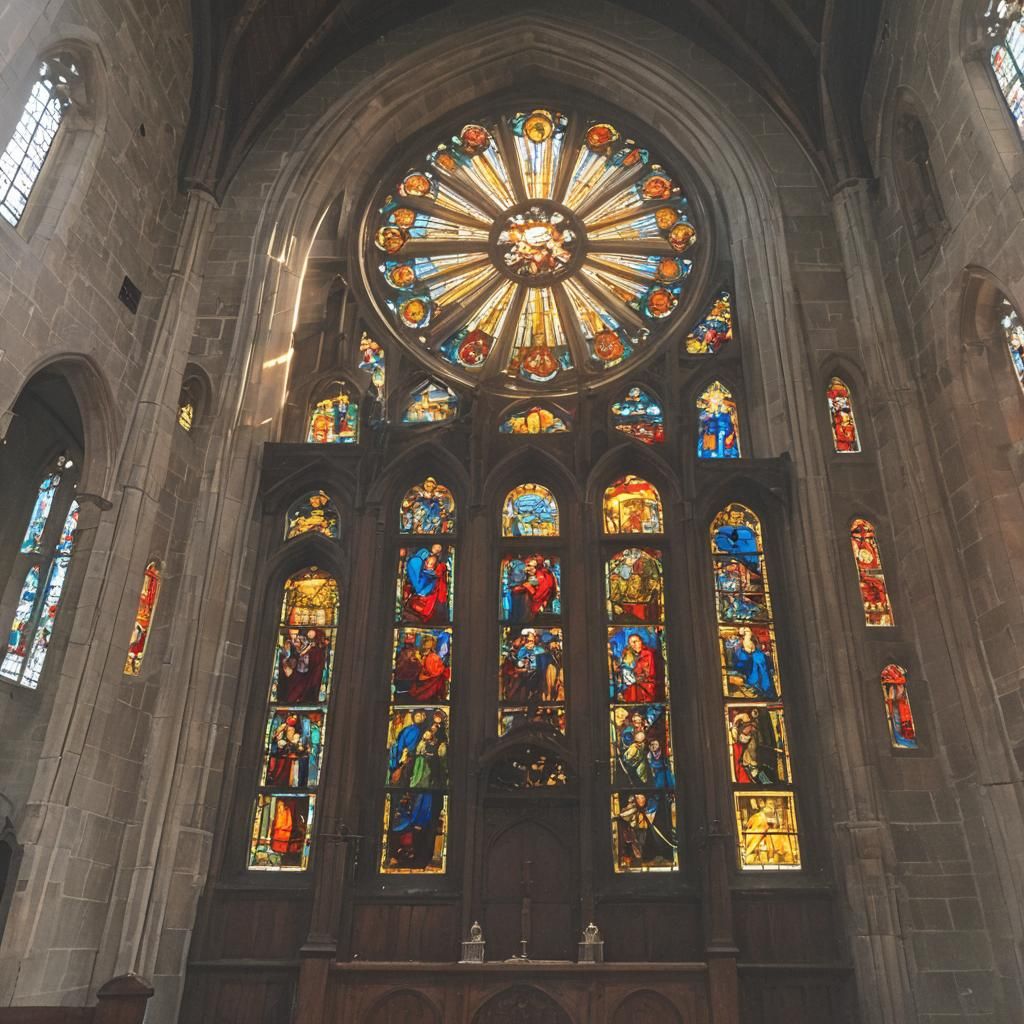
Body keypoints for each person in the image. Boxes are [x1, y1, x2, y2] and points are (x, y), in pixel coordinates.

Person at [276, 628, 326, 704]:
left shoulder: (316, 654)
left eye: (299, 637)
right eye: (294, 637)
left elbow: (314, 679)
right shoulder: (290, 653)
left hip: (305, 690)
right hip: (296, 686)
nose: (296, 639)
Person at [402, 544, 449, 624]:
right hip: (418, 595)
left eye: (430, 564)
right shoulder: (421, 560)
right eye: (427, 562)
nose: (427, 565)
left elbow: (427, 586)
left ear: (434, 567)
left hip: (427, 598)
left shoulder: (433, 574)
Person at [727, 627, 776, 699]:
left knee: (760, 663)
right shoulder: (740, 645)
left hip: (757, 663)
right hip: (750, 666)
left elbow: (757, 651)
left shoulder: (758, 650)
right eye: (746, 631)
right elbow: (740, 661)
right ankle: (762, 691)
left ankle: (766, 692)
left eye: (749, 631)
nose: (748, 633)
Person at [618, 632, 664, 702]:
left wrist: (637, 677)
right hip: (637, 682)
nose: (633, 644)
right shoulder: (631, 654)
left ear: (641, 641)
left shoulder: (648, 653)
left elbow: (650, 673)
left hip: (648, 684)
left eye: (635, 641)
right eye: (631, 643)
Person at [507, 556, 557, 621]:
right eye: (527, 565)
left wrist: (526, 586)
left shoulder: (540, 576)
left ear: (535, 567)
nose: (526, 569)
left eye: (529, 566)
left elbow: (537, 594)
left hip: (535, 608)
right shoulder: (534, 576)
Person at [266, 714, 310, 787]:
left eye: (295, 718)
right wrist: (276, 738)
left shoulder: (296, 731)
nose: (294, 719)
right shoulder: (284, 726)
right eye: (293, 717)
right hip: (282, 746)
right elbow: (276, 734)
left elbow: (295, 740)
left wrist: (295, 742)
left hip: (289, 747)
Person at [389, 710, 427, 786]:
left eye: (421, 716)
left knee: (407, 777)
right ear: (413, 717)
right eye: (417, 716)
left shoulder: (422, 730)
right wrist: (403, 752)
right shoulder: (408, 729)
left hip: (412, 756)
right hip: (403, 756)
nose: (419, 718)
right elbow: (401, 741)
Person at [409, 634, 448, 702]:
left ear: (432, 644)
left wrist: (419, 660)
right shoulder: (421, 653)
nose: (427, 643)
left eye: (429, 641)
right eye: (426, 641)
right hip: (422, 677)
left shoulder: (433, 656)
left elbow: (431, 671)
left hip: (431, 678)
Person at [392, 632, 422, 699]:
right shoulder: (402, 652)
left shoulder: (412, 651)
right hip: (403, 675)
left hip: (409, 677)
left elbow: (417, 664)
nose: (408, 646)